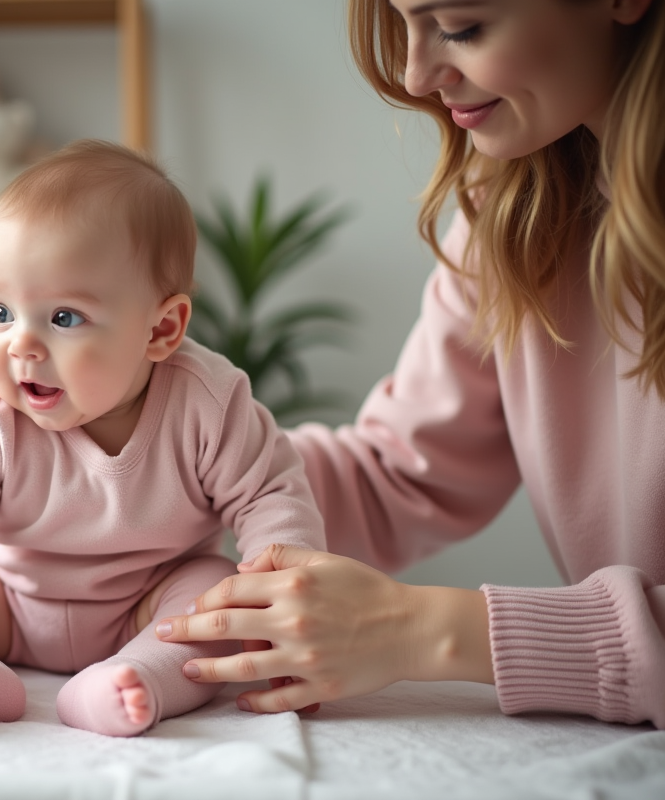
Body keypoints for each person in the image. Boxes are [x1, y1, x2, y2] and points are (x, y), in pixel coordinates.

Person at [155, 0, 665, 728]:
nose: (414, 75)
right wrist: (151, 452)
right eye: (402, 27)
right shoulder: (516, 218)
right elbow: (399, 473)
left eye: (460, 26)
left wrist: (424, 629)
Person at [0, 139, 325, 737]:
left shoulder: (208, 402)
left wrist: (285, 618)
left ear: (161, 329)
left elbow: (272, 499)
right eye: (0, 312)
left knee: (215, 591)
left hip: (144, 611)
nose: (21, 345)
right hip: (6, 607)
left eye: (63, 317)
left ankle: (136, 679)